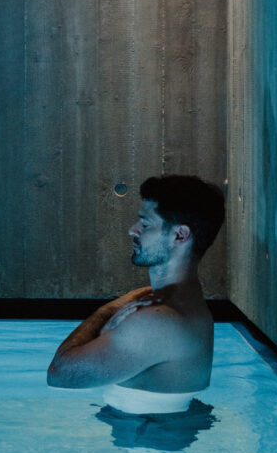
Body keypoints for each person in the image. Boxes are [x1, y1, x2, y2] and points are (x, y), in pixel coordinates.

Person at [46, 175, 225, 414]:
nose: (133, 230)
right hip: (153, 425)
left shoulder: (156, 323)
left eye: (146, 224)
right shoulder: (188, 302)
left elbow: (60, 375)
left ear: (180, 235)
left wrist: (107, 311)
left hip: (143, 433)